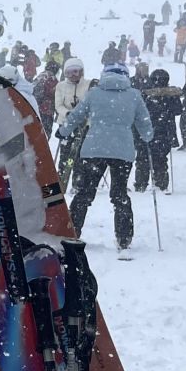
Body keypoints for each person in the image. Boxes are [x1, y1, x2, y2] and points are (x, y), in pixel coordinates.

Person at [57, 62, 151, 252]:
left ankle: (72, 232)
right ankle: (124, 237)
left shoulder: (94, 93)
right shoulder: (134, 95)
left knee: (84, 193)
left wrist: (63, 131)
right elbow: (144, 121)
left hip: (94, 149)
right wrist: (148, 136)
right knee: (120, 195)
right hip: (122, 151)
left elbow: (76, 116)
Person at [138, 69, 181, 192]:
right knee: (159, 159)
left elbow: (177, 110)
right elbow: (178, 110)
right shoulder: (148, 93)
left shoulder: (146, 93)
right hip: (163, 130)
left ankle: (143, 183)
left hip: (149, 130)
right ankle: (160, 183)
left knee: (144, 159)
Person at [32, 64, 60, 128]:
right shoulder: (53, 79)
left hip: (33, 108)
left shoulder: (40, 76)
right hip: (46, 111)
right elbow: (57, 98)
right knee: (45, 133)